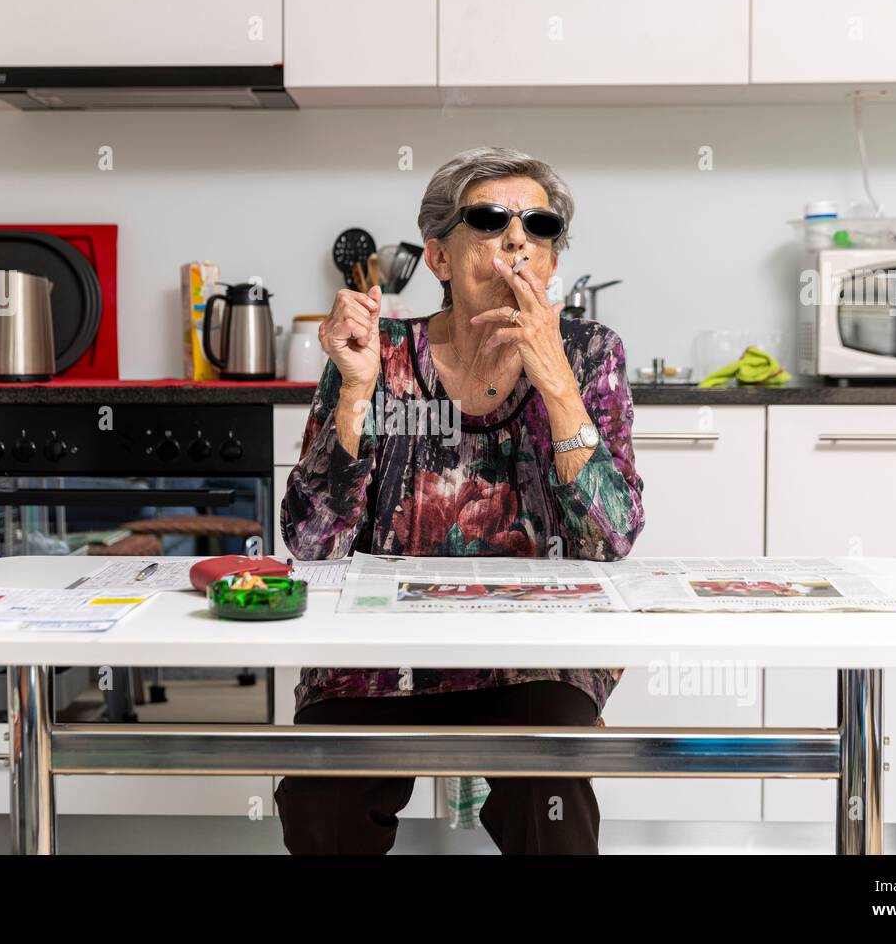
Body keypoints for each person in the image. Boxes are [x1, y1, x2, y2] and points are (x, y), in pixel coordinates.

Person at [276, 146, 645, 854]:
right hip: (383, 649)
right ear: (440, 259)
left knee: (550, 791)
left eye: (538, 226)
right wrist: (354, 392)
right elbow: (311, 543)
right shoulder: (375, 354)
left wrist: (559, 386)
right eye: (490, 219)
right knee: (323, 798)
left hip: (537, 652)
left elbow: (615, 536)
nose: (517, 239)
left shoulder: (591, 352)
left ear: (551, 259)